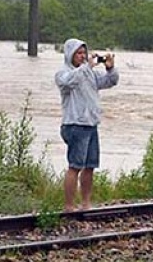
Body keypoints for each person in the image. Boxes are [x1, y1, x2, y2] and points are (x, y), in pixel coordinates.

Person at [55, 38, 119, 212]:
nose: (82, 56)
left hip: (91, 124)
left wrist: (110, 67)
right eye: (78, 53)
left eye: (84, 53)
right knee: (75, 166)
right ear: (70, 54)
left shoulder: (89, 73)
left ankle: (85, 203)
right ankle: (69, 206)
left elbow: (110, 81)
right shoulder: (63, 73)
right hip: (75, 124)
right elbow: (68, 82)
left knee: (90, 166)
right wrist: (86, 66)